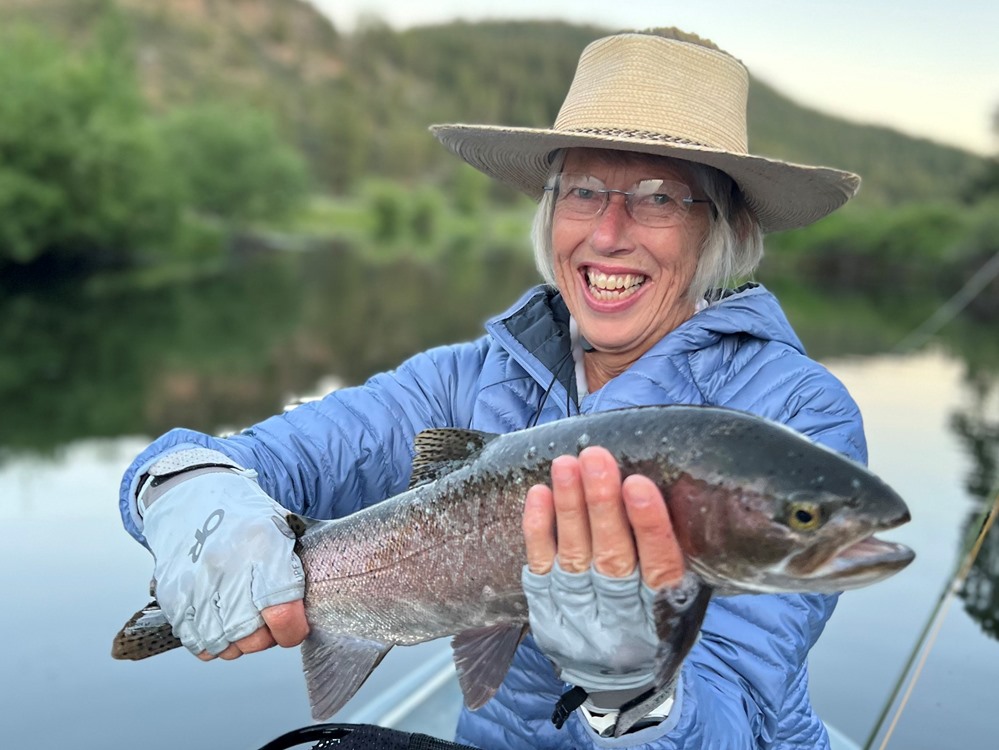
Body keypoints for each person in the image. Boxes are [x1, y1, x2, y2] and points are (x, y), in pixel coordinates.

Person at [119, 28, 866, 749]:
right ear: (549, 211)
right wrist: (189, 488)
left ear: (722, 227)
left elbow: (734, 709)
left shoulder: (798, 414)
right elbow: (256, 457)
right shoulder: (468, 377)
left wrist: (639, 692)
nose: (607, 234)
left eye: (656, 196)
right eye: (582, 191)